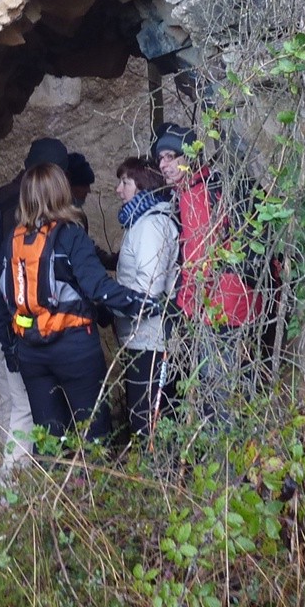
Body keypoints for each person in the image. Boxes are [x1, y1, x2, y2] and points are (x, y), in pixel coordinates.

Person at [0, 162, 147, 441]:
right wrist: (145, 304)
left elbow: (0, 304)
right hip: (75, 349)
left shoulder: (12, 241)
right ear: (61, 192)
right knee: (94, 431)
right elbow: (98, 288)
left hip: (31, 352)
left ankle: (53, 470)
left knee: (49, 437)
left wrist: (11, 351)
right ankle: (92, 469)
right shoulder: (71, 236)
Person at [0, 137, 67, 479]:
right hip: (15, 318)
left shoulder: (1, 196)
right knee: (25, 405)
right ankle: (13, 482)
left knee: (9, 400)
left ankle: (4, 469)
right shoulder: (31, 209)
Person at [154, 125, 258, 421]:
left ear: (189, 157)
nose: (163, 165)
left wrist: (183, 309)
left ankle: (222, 447)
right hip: (241, 301)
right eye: (160, 158)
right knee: (237, 389)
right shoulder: (210, 185)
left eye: (171, 156)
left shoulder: (196, 195)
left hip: (220, 309)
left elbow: (200, 262)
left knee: (217, 393)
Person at [112, 156, 179, 438]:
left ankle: (154, 464)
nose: (118, 190)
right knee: (147, 415)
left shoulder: (150, 226)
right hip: (143, 338)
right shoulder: (142, 222)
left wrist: (110, 300)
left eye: (125, 182)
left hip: (151, 340)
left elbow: (150, 288)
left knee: (147, 419)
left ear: (143, 185)